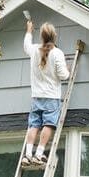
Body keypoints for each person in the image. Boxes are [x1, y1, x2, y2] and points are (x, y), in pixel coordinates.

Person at [22, 19, 70, 166]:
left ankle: (28, 155)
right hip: (51, 97)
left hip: (36, 96)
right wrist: (68, 69)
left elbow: (26, 46)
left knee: (34, 125)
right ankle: (39, 154)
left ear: (42, 36)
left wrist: (29, 30)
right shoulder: (57, 53)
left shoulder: (35, 50)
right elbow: (64, 76)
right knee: (48, 124)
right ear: (54, 36)